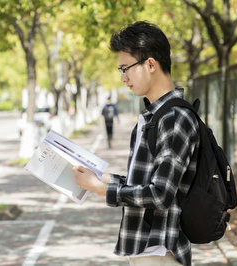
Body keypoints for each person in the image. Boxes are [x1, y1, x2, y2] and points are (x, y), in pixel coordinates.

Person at [72, 21, 199, 266]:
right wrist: (103, 178)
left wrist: (100, 189)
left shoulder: (174, 118)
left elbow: (160, 195)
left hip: (160, 252)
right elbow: (148, 184)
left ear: (150, 64)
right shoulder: (155, 116)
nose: (122, 78)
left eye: (125, 68)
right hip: (147, 251)